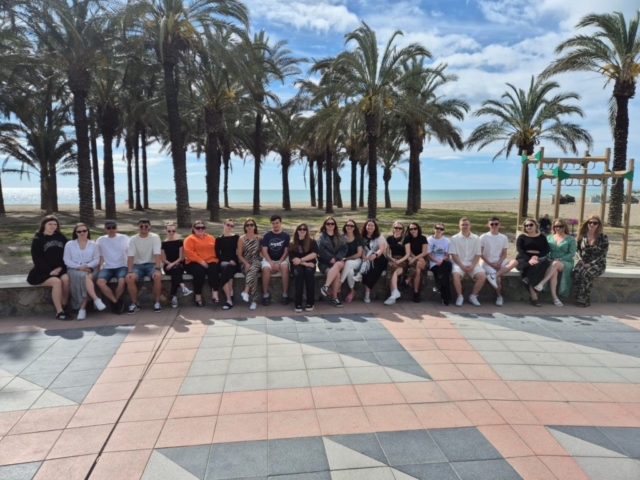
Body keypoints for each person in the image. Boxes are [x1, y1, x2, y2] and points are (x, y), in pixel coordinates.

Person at [27, 215, 70, 320]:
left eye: (55, 224)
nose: (53, 226)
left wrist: (60, 268)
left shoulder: (61, 237)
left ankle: (64, 305)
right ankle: (59, 312)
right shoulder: (38, 239)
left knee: (66, 279)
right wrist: (50, 271)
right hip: (42, 271)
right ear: (44, 225)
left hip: (59, 268)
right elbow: (37, 259)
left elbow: (67, 254)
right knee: (57, 282)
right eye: (50, 224)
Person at [63, 223, 106, 320]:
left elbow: (96, 260)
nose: (82, 233)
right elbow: (67, 260)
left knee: (86, 277)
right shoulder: (69, 244)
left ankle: (82, 309)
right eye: (79, 231)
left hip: (90, 268)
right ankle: (96, 299)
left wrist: (87, 266)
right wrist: (79, 267)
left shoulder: (94, 244)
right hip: (74, 269)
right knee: (85, 277)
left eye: (84, 231)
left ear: (87, 232)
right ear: (76, 233)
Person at [516, 218, 560, 307]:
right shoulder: (522, 237)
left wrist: (537, 256)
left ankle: (528, 279)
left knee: (542, 262)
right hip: (524, 258)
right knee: (532, 269)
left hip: (538, 258)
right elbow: (520, 250)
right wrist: (529, 259)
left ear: (536, 226)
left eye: (531, 225)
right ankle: (534, 298)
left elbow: (546, 249)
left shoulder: (542, 237)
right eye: (526, 225)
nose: (528, 227)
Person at [126, 219, 163, 314]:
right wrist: (130, 271)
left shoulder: (155, 237)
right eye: (141, 226)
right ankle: (135, 303)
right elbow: (130, 256)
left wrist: (157, 269)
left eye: (146, 226)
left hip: (152, 264)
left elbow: (157, 254)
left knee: (157, 276)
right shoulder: (133, 239)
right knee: (130, 278)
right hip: (137, 265)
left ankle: (157, 302)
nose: (144, 228)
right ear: (138, 227)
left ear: (149, 227)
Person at [480, 217, 518, 307]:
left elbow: (504, 254)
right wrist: (489, 263)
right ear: (488, 225)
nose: (494, 226)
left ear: (499, 225)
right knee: (498, 279)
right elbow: (480, 253)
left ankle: (494, 275)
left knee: (514, 262)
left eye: (496, 224)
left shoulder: (503, 237)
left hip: (499, 261)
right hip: (487, 263)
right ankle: (499, 296)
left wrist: (499, 262)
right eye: (492, 224)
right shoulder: (483, 237)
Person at [534, 218, 576, 299]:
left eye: (561, 226)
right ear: (553, 227)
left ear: (564, 227)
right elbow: (546, 251)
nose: (558, 228)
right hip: (552, 261)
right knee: (554, 271)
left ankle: (542, 283)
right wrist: (548, 258)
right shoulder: (549, 237)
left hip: (566, 262)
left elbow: (572, 253)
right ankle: (554, 297)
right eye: (556, 226)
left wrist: (560, 259)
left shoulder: (571, 239)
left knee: (555, 264)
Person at [450, 218, 486, 307]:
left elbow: (478, 254)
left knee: (482, 276)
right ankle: (460, 296)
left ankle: (473, 296)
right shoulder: (454, 238)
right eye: (463, 225)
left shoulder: (476, 238)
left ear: (470, 225)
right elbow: (453, 254)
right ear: (459, 226)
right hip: (458, 263)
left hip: (472, 263)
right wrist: (462, 266)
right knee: (455, 275)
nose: (465, 226)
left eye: (466, 224)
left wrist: (473, 265)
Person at [573, 215, 608, 307]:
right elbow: (577, 251)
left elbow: (603, 254)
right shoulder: (582, 236)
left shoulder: (603, 237)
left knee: (586, 274)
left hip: (598, 263)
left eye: (595, 223)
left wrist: (591, 264)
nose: (592, 224)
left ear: (598, 225)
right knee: (577, 272)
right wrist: (580, 260)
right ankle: (578, 297)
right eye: (590, 222)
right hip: (583, 262)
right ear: (587, 223)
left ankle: (584, 299)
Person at [96, 220, 129, 314]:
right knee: (100, 282)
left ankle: (115, 302)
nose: (111, 230)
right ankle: (116, 302)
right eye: (109, 228)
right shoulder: (101, 240)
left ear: (117, 228)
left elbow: (130, 253)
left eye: (113, 227)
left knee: (122, 281)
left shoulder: (124, 238)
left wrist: (130, 268)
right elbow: (100, 256)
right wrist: (98, 269)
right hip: (107, 267)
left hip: (122, 265)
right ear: (105, 229)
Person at [184, 220, 220, 307]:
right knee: (199, 271)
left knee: (214, 269)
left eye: (202, 227)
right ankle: (198, 296)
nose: (200, 229)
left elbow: (215, 250)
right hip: (193, 262)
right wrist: (200, 261)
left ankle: (215, 293)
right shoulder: (189, 239)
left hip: (210, 260)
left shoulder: (211, 238)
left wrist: (215, 260)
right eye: (198, 228)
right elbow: (189, 252)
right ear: (194, 229)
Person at [317, 216, 347, 308]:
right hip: (325, 263)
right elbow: (320, 250)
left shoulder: (340, 236)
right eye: (328, 224)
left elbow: (344, 248)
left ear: (335, 225)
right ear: (325, 225)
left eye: (332, 223)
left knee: (339, 263)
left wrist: (336, 258)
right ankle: (334, 298)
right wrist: (330, 258)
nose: (330, 225)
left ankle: (325, 286)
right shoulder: (321, 237)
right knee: (337, 274)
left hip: (338, 260)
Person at [356, 219, 388, 304]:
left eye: (372, 225)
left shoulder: (379, 236)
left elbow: (381, 249)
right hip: (366, 257)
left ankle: (367, 292)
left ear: (375, 227)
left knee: (373, 267)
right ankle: (367, 292)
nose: (370, 227)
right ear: (365, 226)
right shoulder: (361, 236)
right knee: (369, 267)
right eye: (368, 225)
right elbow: (360, 249)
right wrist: (363, 255)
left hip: (379, 258)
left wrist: (375, 255)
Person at [261, 215, 291, 306]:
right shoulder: (267, 235)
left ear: (281, 223)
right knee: (266, 269)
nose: (275, 225)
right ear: (271, 224)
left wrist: (279, 263)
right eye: (273, 223)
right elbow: (264, 251)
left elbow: (286, 252)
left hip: (281, 259)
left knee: (285, 267)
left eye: (277, 223)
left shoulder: (286, 236)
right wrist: (271, 263)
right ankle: (265, 295)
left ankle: (285, 295)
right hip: (268, 259)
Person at [162, 222, 192, 309]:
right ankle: (183, 288)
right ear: (165, 231)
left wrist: (173, 264)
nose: (171, 233)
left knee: (176, 270)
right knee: (176, 270)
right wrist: (170, 264)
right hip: (168, 265)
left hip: (177, 264)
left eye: (173, 231)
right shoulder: (163, 243)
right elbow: (163, 259)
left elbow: (181, 257)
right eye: (169, 231)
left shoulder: (179, 242)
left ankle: (174, 297)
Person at [289, 223, 318, 313]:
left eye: (304, 229)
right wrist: (305, 263)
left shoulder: (312, 241)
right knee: (299, 274)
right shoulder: (292, 243)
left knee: (309, 273)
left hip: (309, 264)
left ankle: (310, 302)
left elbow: (314, 254)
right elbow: (293, 259)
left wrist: (301, 260)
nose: (302, 231)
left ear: (307, 231)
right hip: (297, 265)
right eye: (300, 229)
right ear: (297, 231)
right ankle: (298, 303)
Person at [238, 218, 262, 310]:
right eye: (247, 225)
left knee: (253, 268)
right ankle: (254, 301)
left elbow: (263, 252)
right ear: (245, 227)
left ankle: (246, 291)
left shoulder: (259, 238)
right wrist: (246, 264)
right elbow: (239, 255)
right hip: (245, 261)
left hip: (256, 260)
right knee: (253, 275)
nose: (249, 227)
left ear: (255, 227)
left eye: (251, 225)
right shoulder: (241, 239)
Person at [217, 219, 240, 310]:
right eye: (228, 225)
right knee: (226, 266)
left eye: (232, 226)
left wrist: (234, 260)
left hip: (235, 261)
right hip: (223, 261)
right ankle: (229, 296)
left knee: (228, 268)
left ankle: (229, 298)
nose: (229, 227)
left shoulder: (236, 237)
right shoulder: (218, 239)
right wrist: (228, 260)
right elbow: (217, 254)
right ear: (223, 225)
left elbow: (239, 252)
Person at [427, 223, 452, 306]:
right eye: (437, 228)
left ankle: (438, 286)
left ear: (443, 231)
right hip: (434, 263)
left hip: (444, 262)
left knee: (444, 266)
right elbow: (429, 255)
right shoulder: (429, 240)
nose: (439, 230)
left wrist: (441, 260)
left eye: (441, 229)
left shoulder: (446, 241)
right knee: (444, 275)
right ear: (434, 229)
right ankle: (445, 298)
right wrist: (436, 261)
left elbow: (447, 256)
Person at [384, 221, 408, 305]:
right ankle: (394, 293)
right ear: (393, 229)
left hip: (403, 260)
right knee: (392, 266)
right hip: (393, 259)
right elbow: (387, 253)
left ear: (402, 230)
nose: (398, 229)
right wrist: (392, 259)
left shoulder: (405, 239)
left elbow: (408, 254)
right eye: (396, 227)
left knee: (391, 269)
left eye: (400, 228)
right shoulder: (389, 239)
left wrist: (399, 261)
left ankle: (393, 294)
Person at [403, 222, 428, 303]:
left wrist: (416, 258)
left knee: (419, 263)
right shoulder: (407, 238)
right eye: (411, 229)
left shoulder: (423, 238)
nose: (413, 230)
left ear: (418, 229)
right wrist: (415, 258)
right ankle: (416, 293)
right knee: (417, 270)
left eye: (415, 228)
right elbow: (409, 252)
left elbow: (424, 253)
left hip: (422, 259)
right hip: (413, 259)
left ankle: (407, 280)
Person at [340, 220, 364, 303]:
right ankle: (352, 291)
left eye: (351, 226)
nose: (349, 227)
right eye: (348, 225)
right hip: (346, 262)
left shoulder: (358, 238)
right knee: (350, 271)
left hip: (357, 261)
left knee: (348, 263)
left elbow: (359, 254)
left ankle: (339, 284)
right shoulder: (342, 237)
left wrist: (347, 258)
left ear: (354, 228)